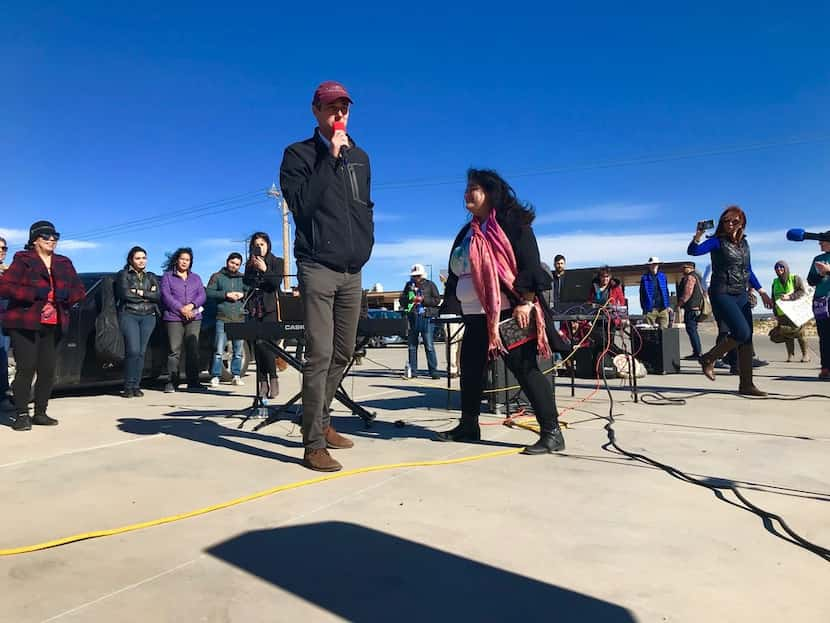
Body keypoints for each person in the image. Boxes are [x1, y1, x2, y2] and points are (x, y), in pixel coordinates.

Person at [280, 80, 374, 472]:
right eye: (332, 107)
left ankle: (320, 418)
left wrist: (368, 241)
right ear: (316, 111)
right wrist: (328, 159)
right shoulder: (298, 154)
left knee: (343, 351)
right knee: (319, 353)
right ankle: (313, 443)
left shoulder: (362, 157)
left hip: (352, 270)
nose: (340, 114)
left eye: (345, 108)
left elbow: (363, 206)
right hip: (317, 266)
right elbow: (301, 205)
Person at [437, 169, 565, 454]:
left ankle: (552, 432)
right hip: (474, 315)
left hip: (509, 312)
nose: (468, 193)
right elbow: (457, 273)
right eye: (467, 188)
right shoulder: (467, 231)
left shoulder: (512, 223)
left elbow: (531, 263)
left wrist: (526, 301)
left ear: (491, 192)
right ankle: (469, 425)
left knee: (525, 369)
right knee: (470, 370)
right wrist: (450, 304)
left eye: (476, 188)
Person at [0, 221, 85, 430]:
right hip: (25, 322)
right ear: (35, 239)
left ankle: (41, 412)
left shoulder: (64, 262)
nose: (52, 240)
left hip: (54, 323)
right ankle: (21, 413)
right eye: (46, 236)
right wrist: (33, 294)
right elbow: (5, 287)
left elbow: (80, 290)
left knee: (47, 370)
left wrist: (66, 297)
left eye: (55, 236)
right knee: (26, 368)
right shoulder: (23, 259)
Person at [687, 206, 772, 396]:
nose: (731, 224)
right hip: (722, 292)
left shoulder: (744, 245)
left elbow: (748, 270)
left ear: (742, 222)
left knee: (747, 339)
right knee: (741, 332)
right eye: (727, 221)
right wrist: (698, 235)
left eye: (735, 221)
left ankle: (746, 384)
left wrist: (762, 291)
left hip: (741, 293)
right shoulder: (716, 242)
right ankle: (709, 358)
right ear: (722, 223)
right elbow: (693, 251)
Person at [115, 246, 160, 398]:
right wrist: (148, 295)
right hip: (130, 314)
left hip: (148, 316)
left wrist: (140, 292)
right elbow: (125, 294)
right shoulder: (123, 275)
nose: (142, 261)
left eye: (144, 258)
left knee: (141, 352)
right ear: (131, 260)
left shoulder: (151, 276)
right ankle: (128, 385)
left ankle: (136, 385)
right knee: (132, 351)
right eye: (138, 258)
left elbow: (158, 296)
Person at [242, 233, 283, 399]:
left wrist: (265, 269)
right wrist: (253, 268)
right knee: (257, 347)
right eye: (256, 244)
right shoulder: (250, 264)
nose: (259, 247)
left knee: (268, 346)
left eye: (262, 244)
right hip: (254, 309)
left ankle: (273, 378)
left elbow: (275, 283)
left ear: (268, 245)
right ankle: (262, 382)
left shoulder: (277, 262)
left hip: (270, 309)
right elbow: (247, 282)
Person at [159, 247, 206, 393]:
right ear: (176, 260)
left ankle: (193, 381)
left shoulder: (196, 278)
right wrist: (181, 308)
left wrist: (192, 306)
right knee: (174, 350)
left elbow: (202, 295)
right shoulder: (167, 277)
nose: (185, 262)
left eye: (188, 260)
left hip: (194, 317)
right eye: (182, 259)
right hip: (174, 317)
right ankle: (172, 381)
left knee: (193, 349)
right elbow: (166, 296)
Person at [206, 252, 248, 387]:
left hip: (239, 318)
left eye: (237, 264)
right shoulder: (217, 276)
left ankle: (236, 375)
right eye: (232, 263)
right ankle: (216, 376)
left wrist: (243, 294)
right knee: (218, 350)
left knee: (238, 350)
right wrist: (226, 294)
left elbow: (251, 290)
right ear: (227, 261)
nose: (234, 266)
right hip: (222, 317)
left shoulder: (243, 278)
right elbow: (209, 292)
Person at [399, 263, 440, 379]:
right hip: (413, 317)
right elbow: (402, 300)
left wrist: (423, 300)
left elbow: (437, 300)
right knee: (412, 346)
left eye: (418, 275)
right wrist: (409, 298)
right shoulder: (408, 285)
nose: (416, 278)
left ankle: (433, 371)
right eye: (414, 276)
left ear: (422, 275)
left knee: (429, 345)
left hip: (426, 317)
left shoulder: (430, 285)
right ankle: (413, 371)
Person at [770, 260, 809, 363]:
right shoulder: (775, 282)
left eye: (781, 267)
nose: (779, 269)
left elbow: (802, 291)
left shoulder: (794, 278)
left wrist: (790, 297)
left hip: (795, 312)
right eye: (777, 268)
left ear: (786, 268)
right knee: (787, 334)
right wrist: (775, 313)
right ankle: (790, 354)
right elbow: (773, 298)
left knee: (800, 333)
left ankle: (805, 355)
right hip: (782, 313)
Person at [806, 235, 830, 379]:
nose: (820, 245)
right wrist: (821, 275)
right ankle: (825, 368)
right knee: (824, 336)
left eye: (822, 242)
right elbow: (810, 280)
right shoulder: (818, 259)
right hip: (821, 301)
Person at [677, 262, 705, 360]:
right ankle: (697, 351)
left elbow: (687, 293)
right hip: (697, 308)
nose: (682, 270)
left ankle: (697, 352)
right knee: (693, 330)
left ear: (690, 268)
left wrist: (680, 304)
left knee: (692, 330)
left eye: (684, 268)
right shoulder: (699, 277)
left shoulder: (690, 277)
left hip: (691, 308)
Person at [639, 257, 670, 328]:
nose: (654, 266)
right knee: (649, 333)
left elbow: (666, 291)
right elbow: (642, 294)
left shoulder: (663, 276)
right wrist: (644, 308)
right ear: (649, 266)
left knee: (664, 332)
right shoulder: (644, 278)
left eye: (655, 264)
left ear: (658, 265)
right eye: (652, 264)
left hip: (663, 309)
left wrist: (667, 305)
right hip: (650, 310)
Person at [0, 236, 9, 406]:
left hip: (5, 322)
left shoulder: (9, 272)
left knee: (2, 360)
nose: (1, 251)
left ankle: (2, 398)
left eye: (4, 248)